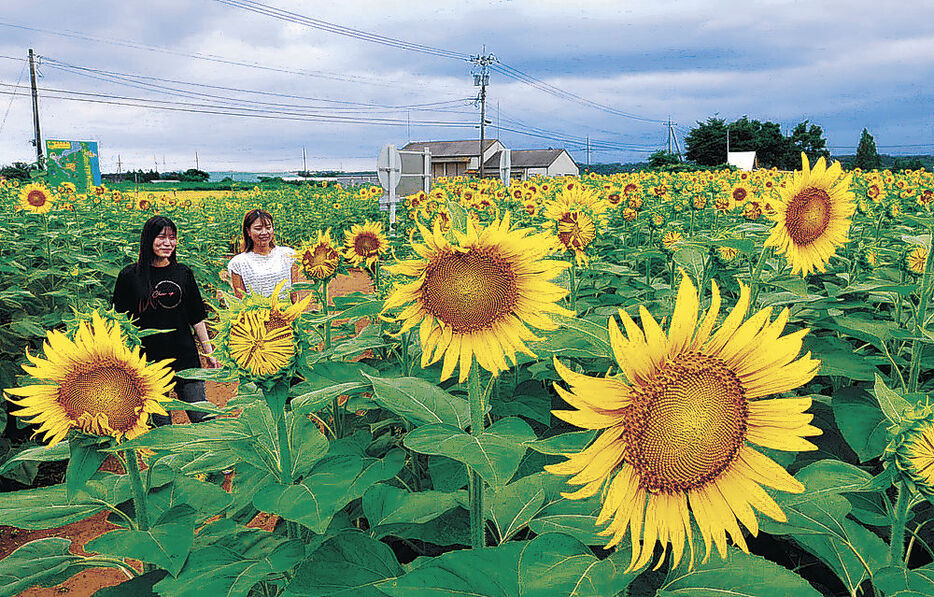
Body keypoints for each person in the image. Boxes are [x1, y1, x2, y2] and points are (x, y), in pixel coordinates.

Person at [112, 215, 219, 426]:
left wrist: (209, 351)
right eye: (161, 237)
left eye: (172, 237)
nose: (167, 243)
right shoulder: (129, 276)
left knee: (203, 417)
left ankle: (214, 457)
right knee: (161, 426)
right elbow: (118, 322)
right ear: (148, 239)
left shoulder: (183, 273)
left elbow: (196, 316)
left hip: (185, 356)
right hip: (147, 363)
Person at [227, 209, 298, 301]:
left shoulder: (288, 255)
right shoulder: (238, 263)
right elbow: (242, 301)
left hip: (287, 313)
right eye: (258, 228)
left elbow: (295, 294)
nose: (264, 232)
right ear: (248, 231)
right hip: (257, 314)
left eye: (268, 227)